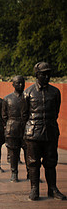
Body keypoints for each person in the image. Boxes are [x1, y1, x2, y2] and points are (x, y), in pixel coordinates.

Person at [23, 62, 66, 201]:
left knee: (51, 162)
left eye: (48, 73)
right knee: (33, 162)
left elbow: (56, 112)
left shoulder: (55, 92)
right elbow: (24, 115)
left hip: (50, 132)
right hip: (33, 133)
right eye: (43, 74)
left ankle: (52, 189)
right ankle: (34, 188)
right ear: (37, 75)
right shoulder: (28, 92)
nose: (47, 76)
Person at [2, 76, 27, 182]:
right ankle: (14, 173)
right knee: (13, 153)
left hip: (26, 128)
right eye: (18, 83)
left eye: (22, 83)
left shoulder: (28, 97)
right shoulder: (7, 99)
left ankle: (30, 173)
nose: (20, 85)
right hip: (12, 128)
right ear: (13, 84)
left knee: (29, 152)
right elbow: (4, 116)